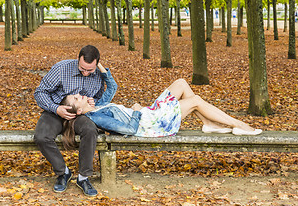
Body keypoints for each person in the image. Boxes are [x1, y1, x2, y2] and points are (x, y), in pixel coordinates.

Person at [60, 63, 262, 140]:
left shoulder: (98, 106)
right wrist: (137, 110)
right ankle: (239, 124)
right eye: (77, 98)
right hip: (150, 123)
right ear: (78, 111)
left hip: (149, 114)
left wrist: (101, 67)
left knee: (181, 83)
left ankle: (209, 124)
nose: (82, 95)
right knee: (196, 100)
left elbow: (112, 88)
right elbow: (129, 130)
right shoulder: (97, 117)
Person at [34, 45, 105, 197]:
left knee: (90, 130)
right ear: (77, 60)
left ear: (97, 63)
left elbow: (100, 97)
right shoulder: (61, 68)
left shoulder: (99, 75)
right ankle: (63, 173)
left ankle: (83, 177)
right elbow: (40, 92)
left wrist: (94, 103)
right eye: (82, 69)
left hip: (80, 115)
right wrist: (55, 108)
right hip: (55, 111)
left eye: (90, 70)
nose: (85, 73)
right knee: (41, 136)